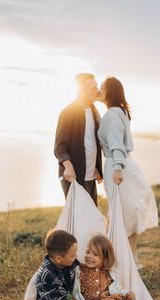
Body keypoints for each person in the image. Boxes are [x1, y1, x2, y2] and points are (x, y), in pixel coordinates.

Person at [98, 77, 158, 269]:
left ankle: (122, 260)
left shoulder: (113, 114)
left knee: (121, 213)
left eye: (102, 87)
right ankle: (132, 259)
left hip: (118, 166)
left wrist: (117, 168)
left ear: (110, 91)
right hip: (125, 164)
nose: (99, 89)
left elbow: (116, 143)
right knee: (127, 213)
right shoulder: (119, 112)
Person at [54, 73, 102, 205]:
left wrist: (95, 166)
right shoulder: (67, 113)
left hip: (91, 176)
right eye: (93, 88)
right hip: (73, 176)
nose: (97, 90)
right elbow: (59, 146)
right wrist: (68, 166)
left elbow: (91, 142)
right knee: (77, 220)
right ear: (81, 91)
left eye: (96, 86)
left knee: (92, 218)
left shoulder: (95, 112)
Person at [78, 235, 136, 300]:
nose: (89, 256)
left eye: (95, 254)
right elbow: (77, 289)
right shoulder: (81, 271)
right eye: (88, 252)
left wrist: (126, 293)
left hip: (108, 299)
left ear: (105, 258)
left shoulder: (108, 272)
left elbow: (117, 288)